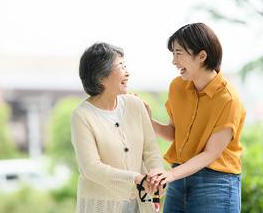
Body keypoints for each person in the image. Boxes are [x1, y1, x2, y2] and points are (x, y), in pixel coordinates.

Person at [146, 23, 246, 213]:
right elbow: (175, 133)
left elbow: (210, 153)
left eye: (178, 53)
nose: (174, 61)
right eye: (172, 54)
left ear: (202, 56)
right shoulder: (177, 86)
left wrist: (170, 174)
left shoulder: (228, 99)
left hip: (216, 182)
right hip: (179, 175)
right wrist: (148, 120)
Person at [71, 42, 164, 213]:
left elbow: (151, 150)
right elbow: (91, 168)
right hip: (101, 207)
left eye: (125, 65)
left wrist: (157, 174)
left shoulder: (136, 105)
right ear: (101, 78)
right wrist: (135, 179)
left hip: (141, 204)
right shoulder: (82, 116)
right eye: (121, 66)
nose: (127, 72)